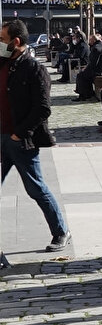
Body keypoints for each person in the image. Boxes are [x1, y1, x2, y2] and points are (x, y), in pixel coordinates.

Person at [0, 19, 70, 252]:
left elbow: (42, 108)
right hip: (1, 137)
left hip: (20, 141)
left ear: (15, 42)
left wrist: (20, 135)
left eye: (2, 39)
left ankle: (61, 232)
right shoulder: (2, 64)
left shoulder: (34, 69)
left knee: (36, 188)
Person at [72, 33, 102, 102]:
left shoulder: (96, 48)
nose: (89, 41)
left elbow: (93, 63)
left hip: (98, 70)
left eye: (90, 40)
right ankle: (88, 93)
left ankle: (83, 95)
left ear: (93, 40)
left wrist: (85, 69)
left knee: (80, 75)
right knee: (84, 75)